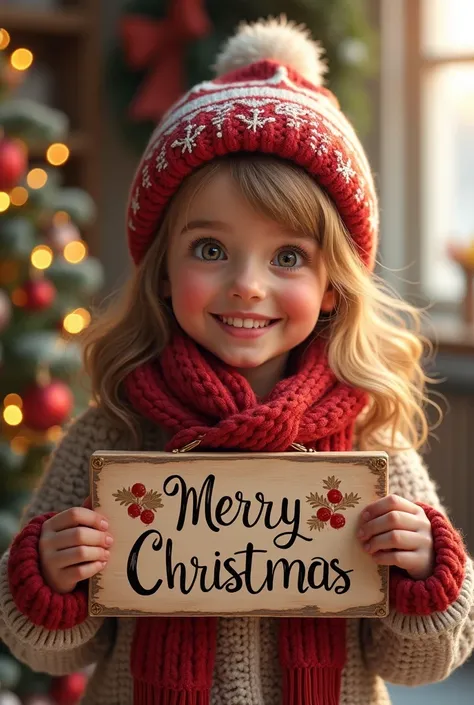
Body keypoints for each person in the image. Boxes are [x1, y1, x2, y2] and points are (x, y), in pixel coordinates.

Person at [1, 17, 473, 705]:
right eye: (211, 250)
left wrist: (427, 571)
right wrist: (50, 574)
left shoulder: (370, 447)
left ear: (333, 285)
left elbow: (422, 661)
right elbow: (48, 646)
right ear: (163, 270)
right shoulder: (115, 437)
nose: (248, 285)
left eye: (287, 257)